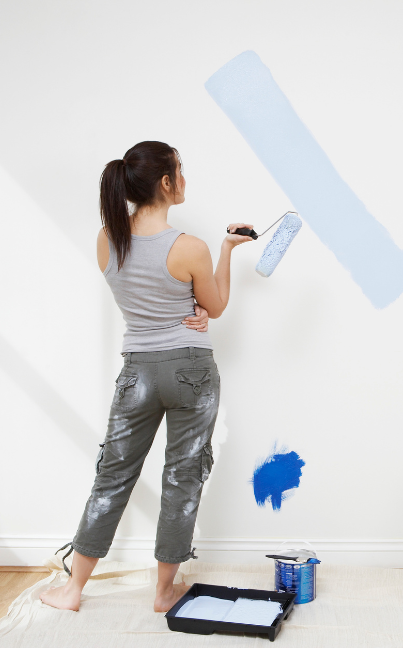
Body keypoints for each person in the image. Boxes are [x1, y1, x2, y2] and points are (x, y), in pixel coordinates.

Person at [39, 141, 254, 612]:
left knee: (112, 476)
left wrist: (181, 304)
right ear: (165, 181)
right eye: (180, 170)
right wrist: (226, 251)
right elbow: (215, 307)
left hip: (137, 370)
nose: (184, 178)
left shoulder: (107, 239)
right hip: (191, 371)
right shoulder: (189, 247)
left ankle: (73, 590)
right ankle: (163, 593)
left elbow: (143, 297)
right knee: (183, 478)